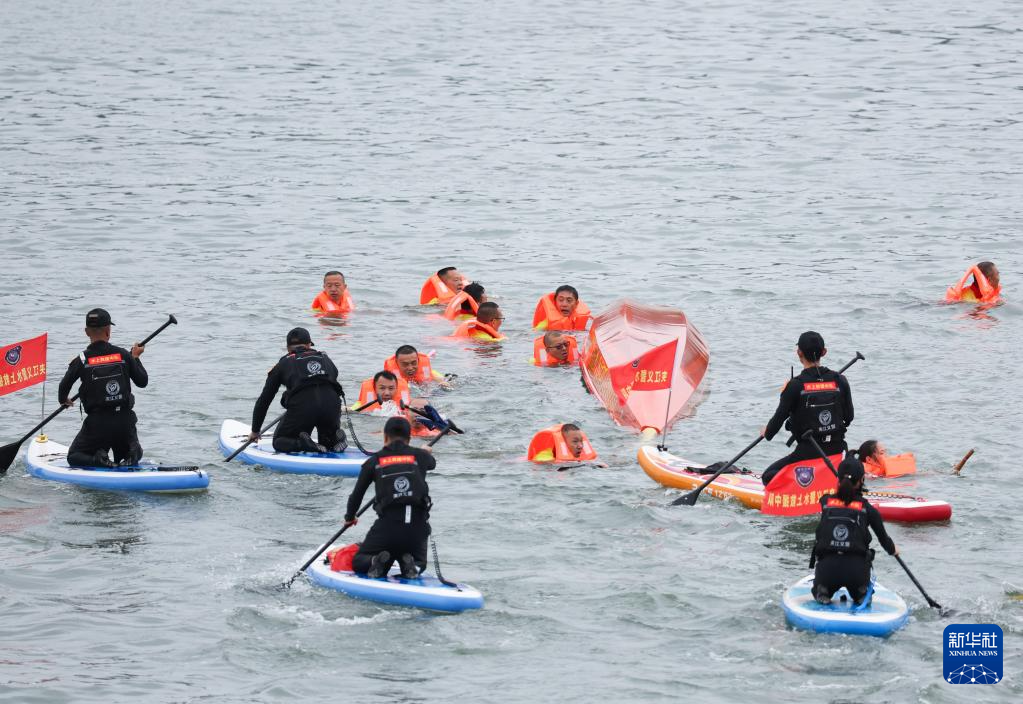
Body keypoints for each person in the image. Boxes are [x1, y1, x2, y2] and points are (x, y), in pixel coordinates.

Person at [344, 417, 435, 579]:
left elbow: (357, 495)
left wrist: (350, 518)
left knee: (359, 562)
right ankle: (411, 565)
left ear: (385, 437)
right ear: (409, 438)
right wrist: (424, 452)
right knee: (420, 562)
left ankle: (376, 561)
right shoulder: (421, 456)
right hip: (418, 526)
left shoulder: (373, 462)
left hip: (388, 527)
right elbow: (431, 463)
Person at [58, 308, 148, 467]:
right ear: (108, 331)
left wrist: (64, 400)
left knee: (74, 456)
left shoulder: (82, 359)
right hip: (124, 421)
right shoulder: (123, 355)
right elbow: (142, 381)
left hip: (98, 424)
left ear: (86, 332)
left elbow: (64, 386)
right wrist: (135, 358)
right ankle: (133, 452)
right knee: (125, 452)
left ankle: (98, 459)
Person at [760, 331, 853, 485]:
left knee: (768, 477)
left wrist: (767, 431)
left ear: (799, 352)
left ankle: (805, 486)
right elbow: (849, 418)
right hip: (839, 450)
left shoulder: (794, 386)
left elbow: (774, 427)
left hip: (808, 452)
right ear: (824, 352)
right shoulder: (840, 380)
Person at [809, 456, 898, 605]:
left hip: (827, 571)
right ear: (862, 480)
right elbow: (884, 541)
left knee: (823, 586)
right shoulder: (868, 509)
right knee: (861, 592)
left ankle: (822, 591)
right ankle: (861, 594)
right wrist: (893, 550)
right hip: (856, 573)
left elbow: (832, 498)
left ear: (838, 480)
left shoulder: (825, 502)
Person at [249, 327, 346, 453]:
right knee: (328, 443)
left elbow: (264, 400)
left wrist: (255, 431)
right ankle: (337, 439)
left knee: (279, 441)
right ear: (309, 344)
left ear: (288, 348)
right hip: (331, 406)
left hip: (304, 408)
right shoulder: (325, 358)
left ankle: (303, 443)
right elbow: (332, 382)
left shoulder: (282, 364)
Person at [527, 423, 600, 463]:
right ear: (563, 443)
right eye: (575, 441)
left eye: (581, 441)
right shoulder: (544, 459)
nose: (580, 446)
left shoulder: (583, 457)